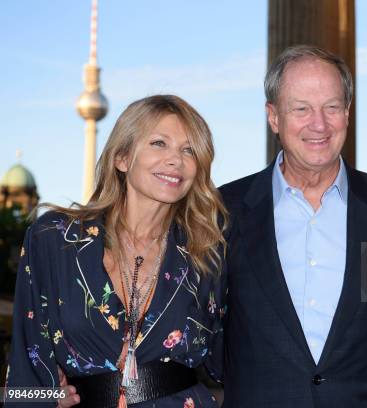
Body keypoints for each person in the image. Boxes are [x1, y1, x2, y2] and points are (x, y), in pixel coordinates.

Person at [219, 45, 367, 407]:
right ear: (273, 117)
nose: (319, 124)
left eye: (332, 107)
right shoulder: (221, 211)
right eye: (301, 109)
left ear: (347, 113)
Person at [5, 95, 227, 408]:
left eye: (189, 150)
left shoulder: (208, 252)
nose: (176, 159)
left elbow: (232, 361)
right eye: (159, 143)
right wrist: (46, 396)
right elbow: (23, 376)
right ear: (122, 158)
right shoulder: (54, 240)